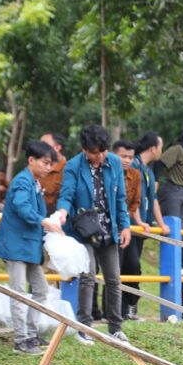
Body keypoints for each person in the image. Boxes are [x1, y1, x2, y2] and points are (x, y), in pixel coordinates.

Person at [56, 125, 131, 345]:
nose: (98, 157)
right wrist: (62, 211)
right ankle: (84, 326)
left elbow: (120, 198)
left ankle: (115, 328)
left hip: (108, 227)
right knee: (88, 277)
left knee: (113, 279)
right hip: (84, 228)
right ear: (84, 149)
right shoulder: (73, 166)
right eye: (94, 152)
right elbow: (67, 195)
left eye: (102, 151)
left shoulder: (114, 163)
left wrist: (124, 225)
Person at [0, 141, 63, 355]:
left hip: (29, 246)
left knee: (41, 290)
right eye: (45, 163)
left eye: (51, 164)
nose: (48, 168)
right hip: (16, 245)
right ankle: (20, 340)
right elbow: (23, 208)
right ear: (31, 160)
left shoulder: (34, 182)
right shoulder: (23, 181)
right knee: (19, 293)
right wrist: (44, 222)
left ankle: (30, 334)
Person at [112, 139, 143, 320]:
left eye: (130, 157)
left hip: (126, 225)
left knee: (132, 265)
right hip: (107, 225)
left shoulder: (136, 175)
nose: (127, 160)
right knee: (113, 268)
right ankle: (111, 310)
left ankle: (130, 306)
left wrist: (126, 219)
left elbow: (136, 202)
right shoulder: (108, 172)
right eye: (123, 156)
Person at [40, 132, 67, 215]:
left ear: (57, 147)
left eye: (44, 145)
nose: (39, 148)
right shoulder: (37, 166)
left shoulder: (68, 169)